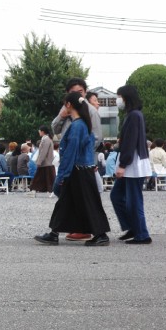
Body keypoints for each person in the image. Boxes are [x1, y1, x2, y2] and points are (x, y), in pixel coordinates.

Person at [34, 92, 111, 246]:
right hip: (82, 169)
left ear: (69, 105)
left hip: (77, 170)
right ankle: (54, 233)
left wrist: (63, 174)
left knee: (85, 202)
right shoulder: (83, 123)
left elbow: (71, 152)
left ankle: (100, 234)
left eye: (65, 104)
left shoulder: (77, 126)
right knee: (67, 202)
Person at [110, 85, 152, 244]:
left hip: (132, 162)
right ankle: (133, 227)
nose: (118, 100)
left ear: (125, 97)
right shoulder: (135, 114)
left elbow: (129, 142)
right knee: (117, 196)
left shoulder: (133, 116)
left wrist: (122, 164)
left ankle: (142, 233)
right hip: (133, 161)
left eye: (119, 96)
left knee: (133, 199)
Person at [32, 126, 56, 193]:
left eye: (39, 131)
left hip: (45, 162)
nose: (39, 133)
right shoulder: (47, 139)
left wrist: (39, 161)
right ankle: (49, 189)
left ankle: (35, 189)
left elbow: (43, 152)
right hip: (46, 162)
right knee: (48, 178)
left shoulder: (46, 139)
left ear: (42, 131)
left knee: (41, 177)